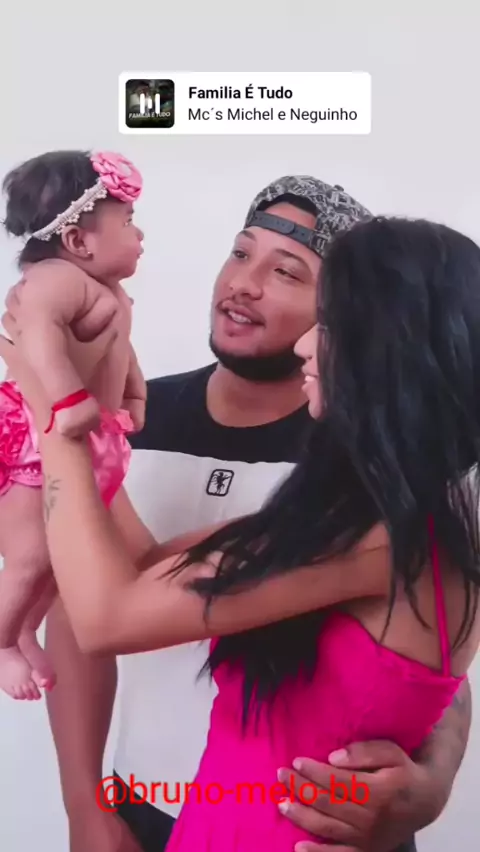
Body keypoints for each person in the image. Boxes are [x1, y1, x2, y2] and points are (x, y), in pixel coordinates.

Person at [2, 178, 471, 852]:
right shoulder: (338, 502)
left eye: (290, 275)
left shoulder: (378, 520)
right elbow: (128, 575)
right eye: (241, 253)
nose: (245, 285)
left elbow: (109, 613)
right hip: (170, 811)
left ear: (389, 347)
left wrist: (54, 411)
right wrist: (89, 397)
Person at [0, 149, 146, 700]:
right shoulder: (56, 280)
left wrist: (133, 392)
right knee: (31, 554)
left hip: (92, 437)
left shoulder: (107, 290)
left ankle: (24, 628)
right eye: (127, 222)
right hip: (37, 434)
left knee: (60, 559)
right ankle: (2, 642)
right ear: (78, 241)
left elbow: (121, 349)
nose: (139, 235)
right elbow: (36, 338)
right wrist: (67, 399)